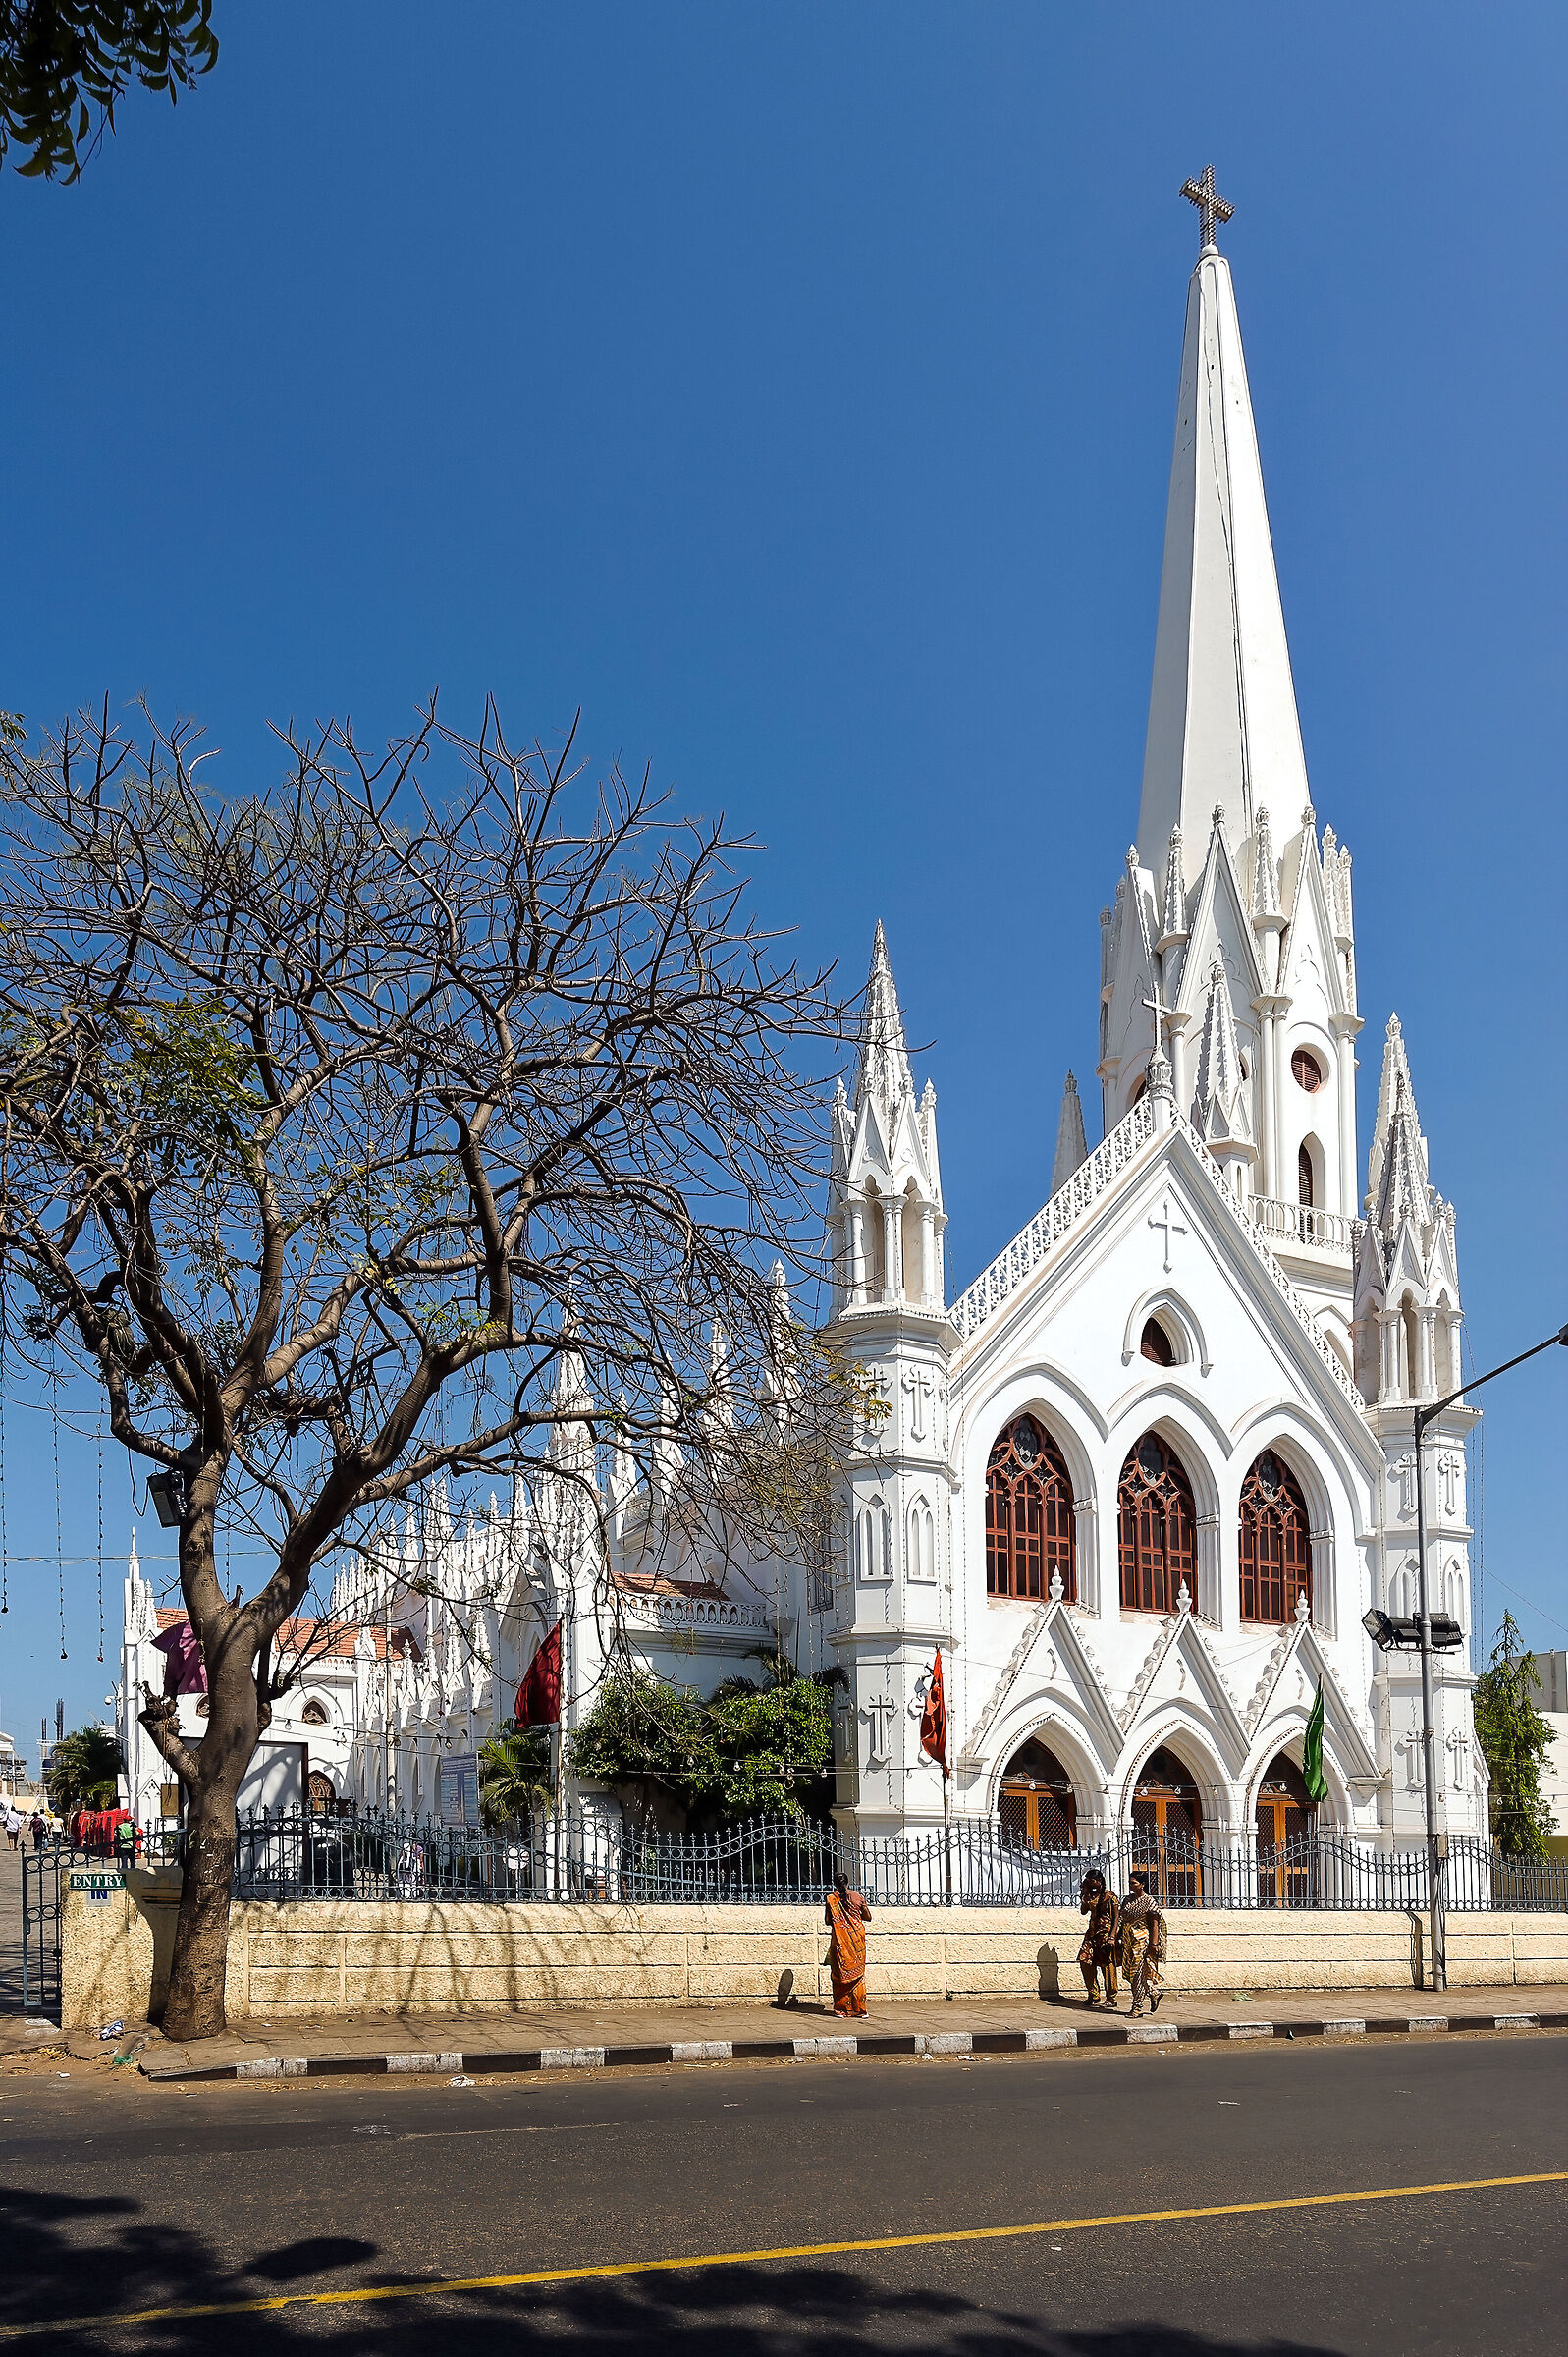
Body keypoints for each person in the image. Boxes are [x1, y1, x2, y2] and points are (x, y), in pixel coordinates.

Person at [824, 1871, 873, 2018]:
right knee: (858, 1976)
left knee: (840, 1975)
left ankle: (841, 2009)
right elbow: (868, 1917)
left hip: (840, 1942)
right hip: (857, 1941)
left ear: (834, 1884)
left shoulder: (831, 1899)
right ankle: (860, 2010)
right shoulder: (858, 1897)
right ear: (847, 1882)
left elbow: (828, 1921)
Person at [1118, 1870, 1166, 2016]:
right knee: (1129, 1973)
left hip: (1141, 1940)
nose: (1131, 1886)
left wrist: (1153, 1944)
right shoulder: (1127, 1900)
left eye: (1134, 1883)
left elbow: (1154, 1924)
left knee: (1137, 1973)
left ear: (1142, 1884)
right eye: (1130, 1883)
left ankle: (1137, 2007)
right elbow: (1122, 1920)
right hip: (1128, 1939)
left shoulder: (1149, 1901)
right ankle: (1153, 1992)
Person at [1078, 1868, 1119, 2005]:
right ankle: (1093, 1994)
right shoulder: (1090, 1896)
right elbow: (1083, 1911)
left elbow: (1116, 1918)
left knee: (1107, 1964)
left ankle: (1111, 1997)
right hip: (1092, 1934)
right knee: (1085, 1960)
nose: (1090, 1883)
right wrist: (1084, 1893)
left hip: (1105, 1934)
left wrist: (1112, 1936)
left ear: (1099, 1880)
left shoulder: (1110, 1896)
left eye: (1092, 1881)